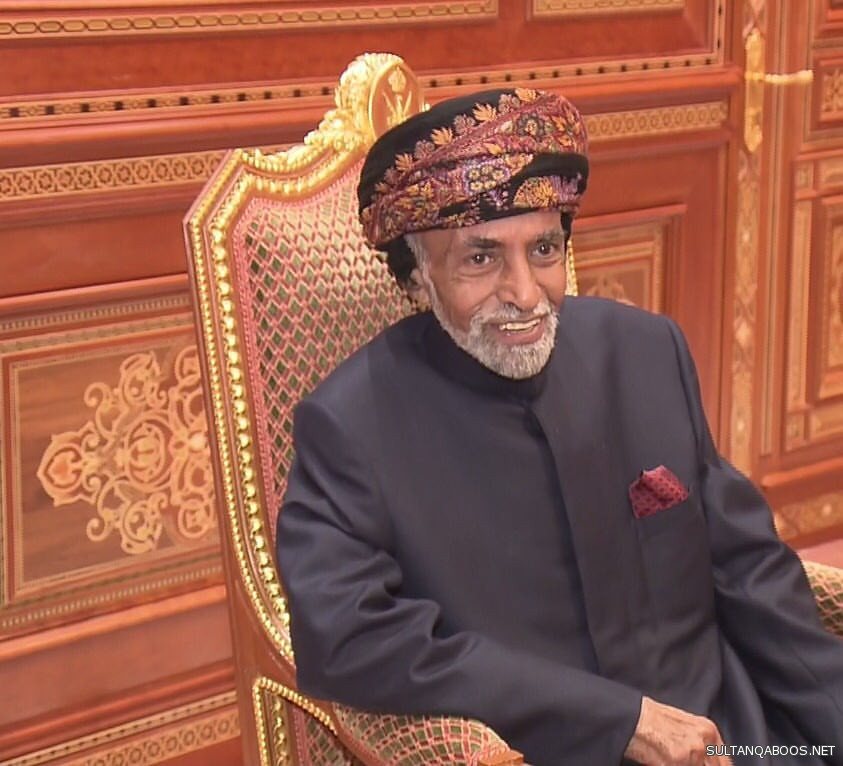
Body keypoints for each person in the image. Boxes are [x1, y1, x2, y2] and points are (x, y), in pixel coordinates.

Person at [276, 88, 843, 765]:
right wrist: (617, 720)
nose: (524, 293)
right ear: (417, 281)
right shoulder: (349, 425)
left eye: (543, 249)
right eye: (481, 258)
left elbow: (750, 572)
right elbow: (348, 640)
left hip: (740, 741)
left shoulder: (645, 351)